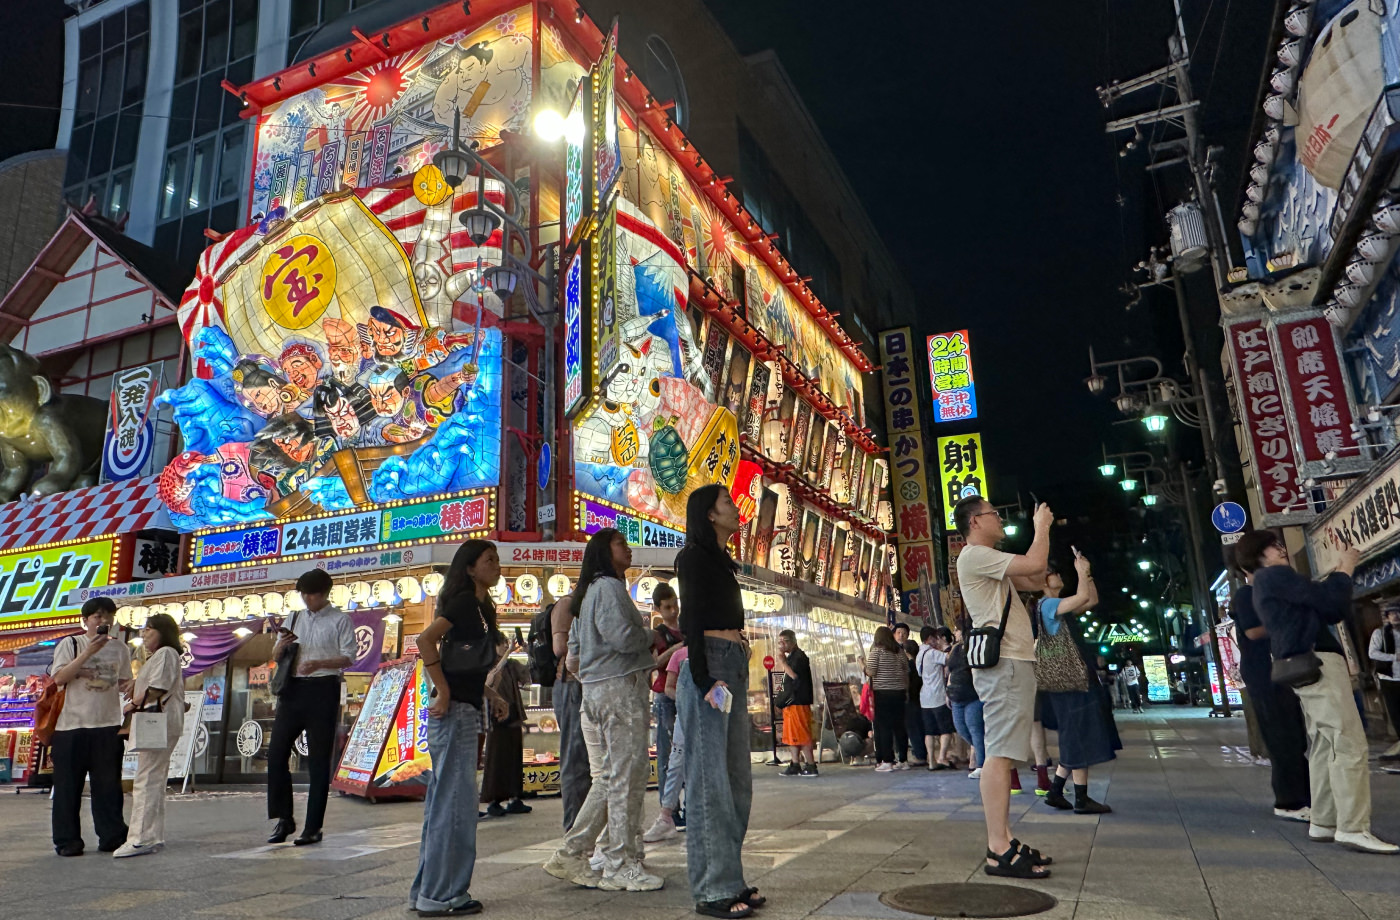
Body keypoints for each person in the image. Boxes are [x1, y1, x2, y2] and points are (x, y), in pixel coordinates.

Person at [1238, 531, 1398, 854]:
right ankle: (1353, 826)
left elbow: (1327, 607)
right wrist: (1345, 568)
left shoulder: (1266, 584)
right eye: (1274, 546)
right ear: (1258, 555)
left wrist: (1337, 575)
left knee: (1325, 743)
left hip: (1301, 665)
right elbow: (1331, 603)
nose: (1281, 550)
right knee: (1348, 742)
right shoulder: (1275, 577)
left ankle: (1324, 820)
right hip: (1319, 662)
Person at [547, 529, 661, 891]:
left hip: (596, 693)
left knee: (612, 776)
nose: (627, 549)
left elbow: (575, 655)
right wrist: (650, 635)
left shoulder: (585, 596)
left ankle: (573, 850)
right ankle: (621, 864)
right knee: (626, 777)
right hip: (620, 689)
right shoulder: (610, 588)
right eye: (620, 544)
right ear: (603, 552)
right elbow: (624, 638)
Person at [954, 494, 1054, 880]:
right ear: (975, 522)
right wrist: (1041, 526)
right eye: (993, 514)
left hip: (1012, 661)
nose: (1000, 519)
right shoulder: (974, 555)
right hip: (1006, 663)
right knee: (997, 753)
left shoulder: (986, 559)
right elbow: (1036, 564)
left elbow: (1032, 577)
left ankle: (1006, 840)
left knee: (1004, 751)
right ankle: (998, 847)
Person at [677, 484, 764, 918]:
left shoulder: (723, 562)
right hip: (710, 666)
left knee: (735, 780)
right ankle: (713, 889)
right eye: (727, 501)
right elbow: (689, 618)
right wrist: (702, 677)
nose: (735, 506)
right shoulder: (691, 557)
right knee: (710, 780)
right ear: (708, 514)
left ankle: (732, 877)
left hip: (731, 662)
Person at [412, 539, 511, 916]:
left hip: (463, 710)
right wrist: (442, 691)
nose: (496, 565)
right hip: (453, 715)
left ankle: (427, 891)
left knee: (445, 804)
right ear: (470, 567)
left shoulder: (480, 606)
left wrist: (489, 694)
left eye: (496, 559)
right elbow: (425, 641)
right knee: (455, 806)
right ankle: (442, 896)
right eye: (489, 560)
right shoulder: (466, 602)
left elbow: (462, 663)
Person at [266, 569, 355, 847]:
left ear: (324, 594)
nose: (307, 599)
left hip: (323, 688)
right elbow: (276, 656)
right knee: (276, 753)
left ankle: (313, 826)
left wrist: (319, 663)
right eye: (303, 593)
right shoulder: (295, 618)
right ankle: (284, 817)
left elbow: (349, 657)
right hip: (292, 689)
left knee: (318, 761)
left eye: (312, 594)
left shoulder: (341, 620)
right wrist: (280, 647)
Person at [48, 596, 132, 857]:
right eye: (97, 616)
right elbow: (59, 678)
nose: (104, 621)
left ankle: (113, 836)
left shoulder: (120, 649)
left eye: (108, 616)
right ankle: (67, 841)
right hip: (70, 727)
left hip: (107, 726)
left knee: (108, 786)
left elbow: (124, 682)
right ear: (85, 621)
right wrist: (88, 653)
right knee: (67, 788)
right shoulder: (71, 643)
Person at [1037, 557, 1118, 815]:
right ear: (1043, 581)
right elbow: (1083, 595)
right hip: (1070, 682)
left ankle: (1057, 791)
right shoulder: (1047, 605)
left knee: (1074, 733)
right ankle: (1080, 798)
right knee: (1079, 733)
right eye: (1054, 572)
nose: (1059, 575)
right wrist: (1082, 572)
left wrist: (1088, 575)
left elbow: (1090, 599)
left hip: (1070, 681)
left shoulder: (1057, 606)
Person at [1231, 572, 1311, 821]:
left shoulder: (1268, 592)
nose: (1281, 553)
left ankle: (1304, 796)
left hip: (1278, 669)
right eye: (1274, 550)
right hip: (1264, 672)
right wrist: (1287, 621)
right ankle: (1289, 801)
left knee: (1294, 736)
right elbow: (1253, 631)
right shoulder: (1246, 594)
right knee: (1280, 735)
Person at [116, 613, 186, 858]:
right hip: (163, 721)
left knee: (146, 778)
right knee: (154, 777)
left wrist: (133, 704)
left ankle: (140, 838)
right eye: (144, 630)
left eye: (149, 630)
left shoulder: (166, 653)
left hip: (157, 721)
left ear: (163, 632)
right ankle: (152, 834)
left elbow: (158, 688)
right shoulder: (164, 655)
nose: (144, 635)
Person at [550, 592, 592, 830]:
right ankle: (574, 829)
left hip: (586, 684)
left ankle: (586, 827)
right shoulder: (568, 604)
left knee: (587, 760)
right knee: (575, 758)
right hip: (571, 683)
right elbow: (560, 649)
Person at [481, 634, 532, 817]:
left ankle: (514, 797)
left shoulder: (511, 665)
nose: (504, 647)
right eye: (500, 644)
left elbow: (528, 676)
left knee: (514, 758)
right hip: (496, 718)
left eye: (505, 644)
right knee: (496, 760)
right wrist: (508, 653)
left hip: (514, 716)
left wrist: (528, 651)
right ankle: (494, 800)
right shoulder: (487, 664)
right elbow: (489, 680)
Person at [644, 640, 689, 842]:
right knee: (676, 763)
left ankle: (693, 811)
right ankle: (666, 815)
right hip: (686, 716)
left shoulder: (717, 651)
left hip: (710, 718)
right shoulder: (679, 656)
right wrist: (685, 698)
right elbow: (669, 687)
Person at [651, 583, 684, 806]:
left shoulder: (689, 628)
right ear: (658, 609)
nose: (673, 611)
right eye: (667, 607)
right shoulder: (657, 635)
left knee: (686, 755)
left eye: (675, 605)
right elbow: (654, 664)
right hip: (665, 696)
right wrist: (677, 649)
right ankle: (668, 809)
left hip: (686, 694)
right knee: (667, 757)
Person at [864, 626, 909, 772]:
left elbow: (870, 671)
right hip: (899, 692)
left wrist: (862, 665)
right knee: (899, 726)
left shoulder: (877, 651)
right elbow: (906, 670)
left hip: (882, 693)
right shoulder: (899, 651)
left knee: (884, 727)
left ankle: (887, 761)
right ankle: (903, 760)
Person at [947, 619, 986, 778]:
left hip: (973, 695)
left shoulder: (975, 647)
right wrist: (947, 690)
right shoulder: (955, 649)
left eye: (957, 630)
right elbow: (951, 671)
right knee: (961, 728)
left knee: (974, 728)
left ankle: (982, 764)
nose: (955, 633)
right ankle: (983, 752)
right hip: (956, 695)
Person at [776, 629, 817, 777]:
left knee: (802, 733)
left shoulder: (799, 657)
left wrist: (782, 662)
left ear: (793, 641)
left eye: (785, 641)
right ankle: (795, 764)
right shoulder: (793, 657)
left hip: (798, 701)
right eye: (780, 641)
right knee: (792, 735)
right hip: (791, 702)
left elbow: (794, 675)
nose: (782, 644)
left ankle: (811, 764)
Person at [916, 626, 956, 770]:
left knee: (929, 732)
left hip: (925, 698)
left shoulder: (919, 654)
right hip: (938, 695)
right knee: (945, 729)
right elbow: (950, 659)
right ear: (930, 639)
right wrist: (946, 646)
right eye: (935, 638)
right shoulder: (932, 653)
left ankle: (931, 761)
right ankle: (942, 757)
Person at [1367, 604, 1400, 762]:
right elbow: (1372, 653)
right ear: (1386, 616)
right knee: (1396, 713)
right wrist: (1394, 657)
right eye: (1392, 614)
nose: (1396, 616)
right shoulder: (1380, 633)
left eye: (1398, 613)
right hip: (1389, 679)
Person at [902, 639, 929, 765]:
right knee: (921, 727)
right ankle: (924, 753)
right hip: (921, 698)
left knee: (913, 728)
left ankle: (919, 755)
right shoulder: (920, 663)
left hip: (911, 700)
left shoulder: (908, 667)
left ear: (906, 652)